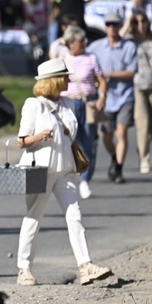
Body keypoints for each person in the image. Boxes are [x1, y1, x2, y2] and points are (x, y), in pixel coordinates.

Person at [16, 59, 113, 286]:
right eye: (65, 76)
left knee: (75, 216)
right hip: (40, 170)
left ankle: (85, 266)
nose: (69, 80)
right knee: (33, 218)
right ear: (54, 80)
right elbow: (22, 141)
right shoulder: (33, 105)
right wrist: (39, 137)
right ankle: (23, 269)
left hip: (66, 169)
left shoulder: (69, 103)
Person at [87, 11, 138, 184]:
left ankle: (118, 168)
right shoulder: (96, 47)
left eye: (115, 24)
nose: (112, 27)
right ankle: (115, 158)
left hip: (125, 95)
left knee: (121, 132)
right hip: (105, 98)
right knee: (106, 135)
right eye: (108, 24)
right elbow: (85, 62)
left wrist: (109, 74)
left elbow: (131, 72)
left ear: (120, 26)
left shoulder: (129, 47)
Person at [60, 26, 107, 199]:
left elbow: (101, 80)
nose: (84, 44)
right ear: (71, 43)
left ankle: (85, 179)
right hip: (68, 103)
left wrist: (102, 97)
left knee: (87, 141)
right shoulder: (62, 60)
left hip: (87, 103)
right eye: (81, 41)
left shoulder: (91, 58)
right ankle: (70, 175)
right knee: (69, 141)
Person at [124, 11, 152, 174]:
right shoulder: (130, 41)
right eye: (137, 22)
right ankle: (144, 159)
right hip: (137, 86)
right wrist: (129, 24)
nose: (140, 25)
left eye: (143, 21)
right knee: (142, 124)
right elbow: (120, 40)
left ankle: (142, 146)